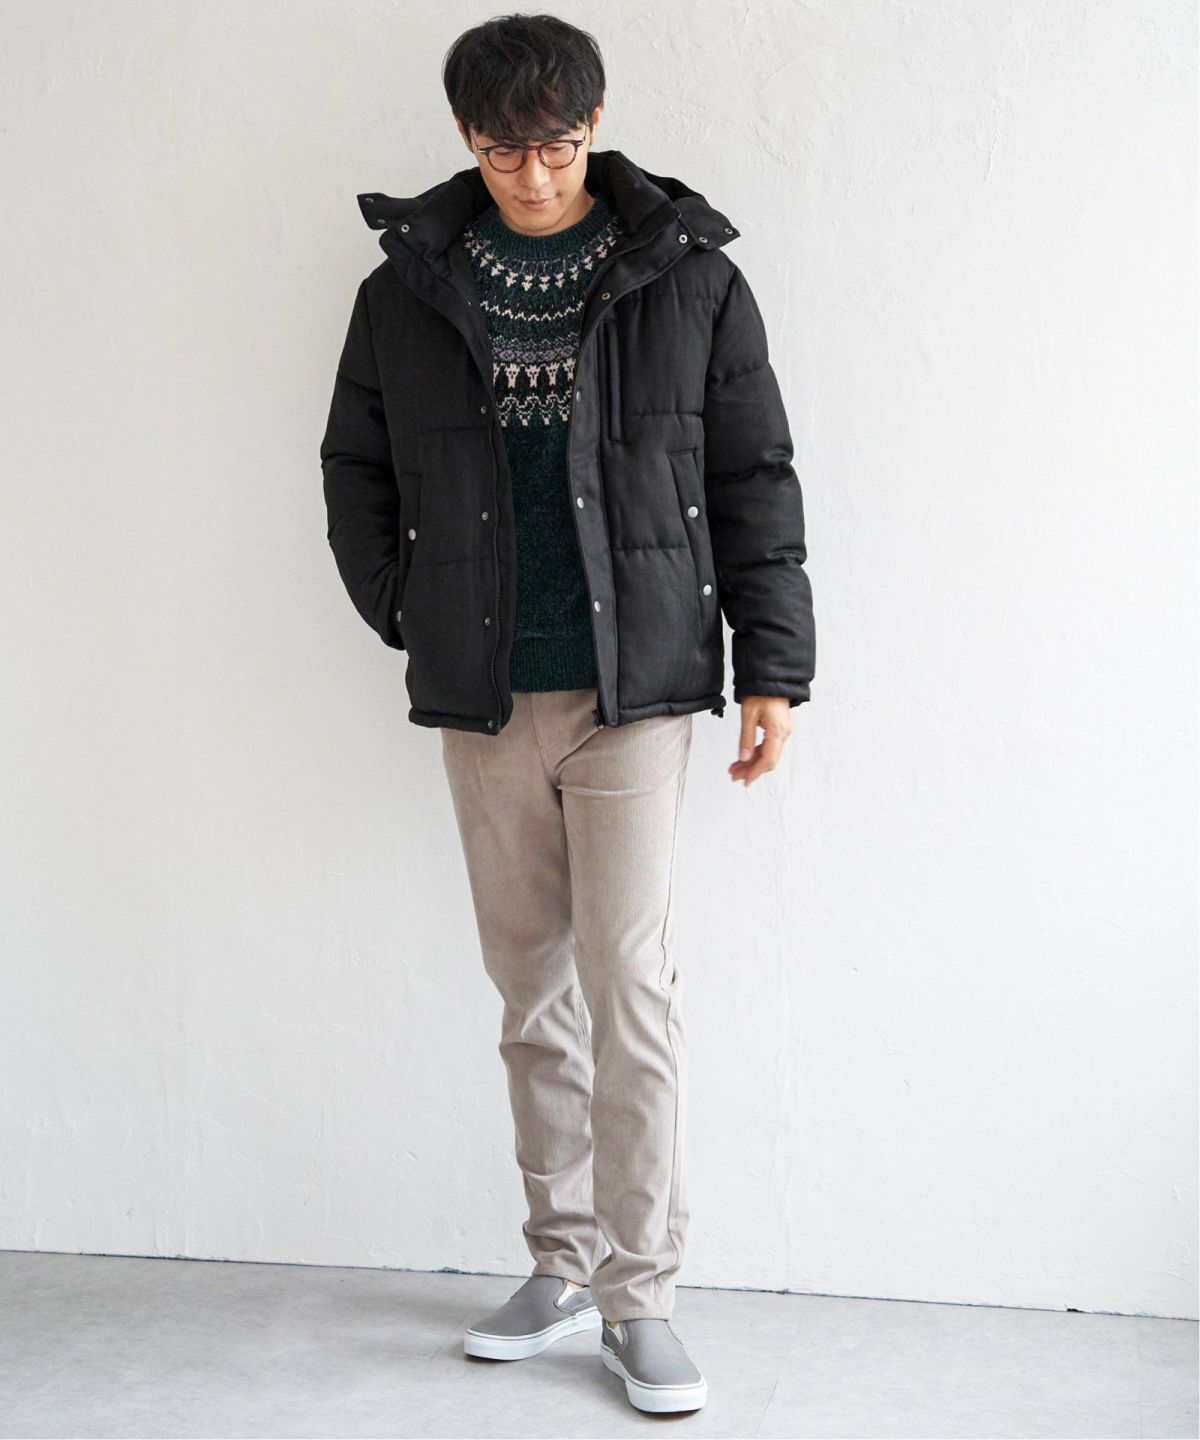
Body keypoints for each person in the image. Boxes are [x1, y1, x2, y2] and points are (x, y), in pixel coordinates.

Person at [319, 12, 815, 1416]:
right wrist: (411, 609)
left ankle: (640, 1295)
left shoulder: (689, 276)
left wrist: (774, 668)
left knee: (628, 988)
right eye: (503, 151)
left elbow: (756, 476)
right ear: (465, 140)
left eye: (556, 146)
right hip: (484, 694)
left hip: (633, 691)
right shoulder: (407, 288)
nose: (534, 176)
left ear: (593, 126)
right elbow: (355, 466)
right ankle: (561, 1262)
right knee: (531, 991)